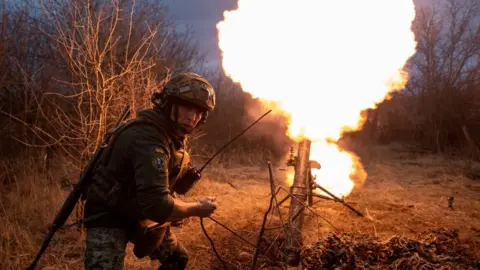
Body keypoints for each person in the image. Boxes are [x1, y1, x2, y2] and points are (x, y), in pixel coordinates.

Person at [82, 72, 218, 270]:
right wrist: (197, 208)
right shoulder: (148, 138)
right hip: (108, 213)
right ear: (170, 104)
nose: (192, 116)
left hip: (139, 211)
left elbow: (162, 187)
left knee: (176, 259)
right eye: (187, 107)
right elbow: (158, 206)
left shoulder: (171, 135)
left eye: (199, 111)